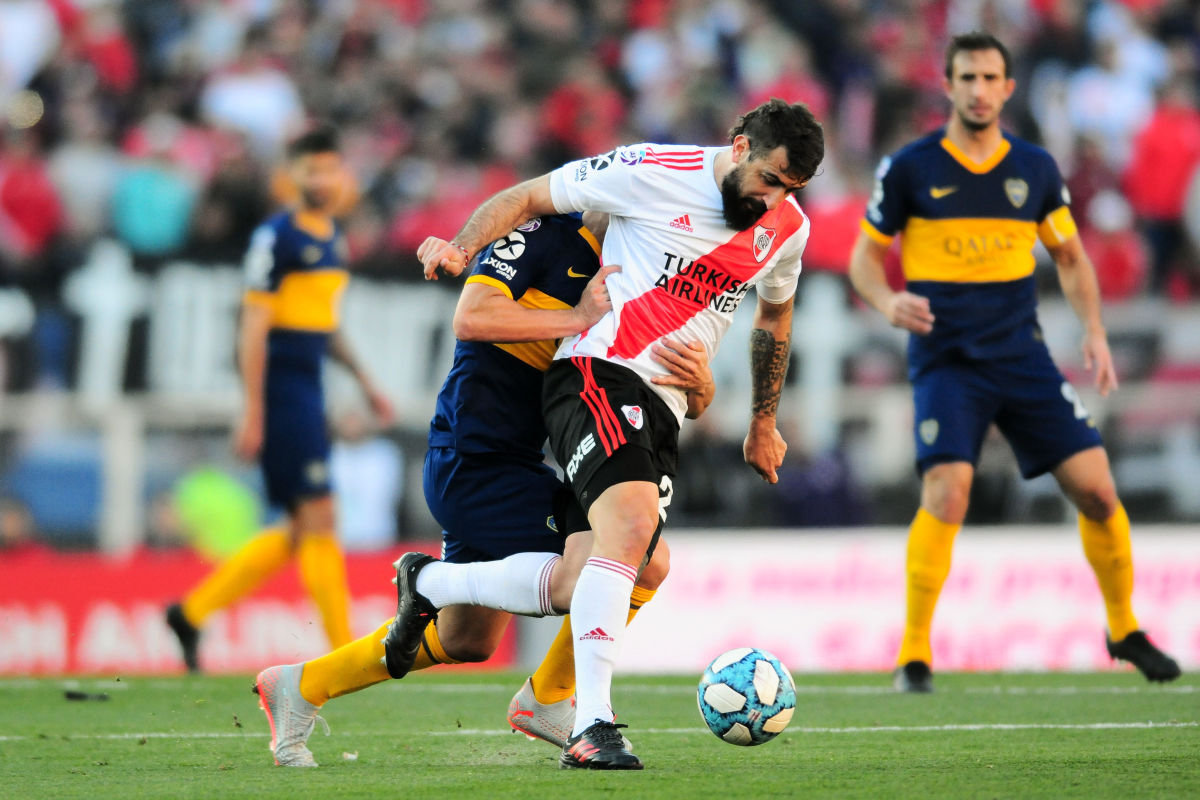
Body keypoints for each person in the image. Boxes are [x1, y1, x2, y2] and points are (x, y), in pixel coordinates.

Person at [396, 98, 824, 769]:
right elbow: (529, 195)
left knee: (638, 564)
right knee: (626, 535)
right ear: (739, 147)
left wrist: (761, 423)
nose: (773, 199)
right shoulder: (651, 168)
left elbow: (775, 316)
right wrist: (461, 245)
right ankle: (591, 724)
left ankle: (435, 588)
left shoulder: (788, 228)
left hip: (666, 409)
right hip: (598, 371)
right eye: (769, 180)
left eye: (790, 189)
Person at [252, 211, 715, 767]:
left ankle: (301, 685)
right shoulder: (545, 236)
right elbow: (470, 317)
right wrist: (575, 317)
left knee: (468, 639)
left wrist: (701, 385)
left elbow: (665, 389)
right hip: (473, 456)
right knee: (631, 561)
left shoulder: (643, 270)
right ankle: (538, 689)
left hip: (523, 462)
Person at [847, 32, 1181, 694]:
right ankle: (914, 652)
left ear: (1008, 88)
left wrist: (1095, 330)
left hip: (1021, 355)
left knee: (1098, 488)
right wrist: (886, 302)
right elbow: (863, 258)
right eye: (965, 76)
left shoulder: (1034, 168)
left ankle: (1123, 626)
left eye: (989, 77)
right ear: (947, 85)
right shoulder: (912, 168)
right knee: (948, 490)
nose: (977, 89)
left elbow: (1071, 256)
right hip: (947, 358)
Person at [165, 126, 392, 672]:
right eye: (310, 169)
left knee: (300, 526)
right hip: (282, 388)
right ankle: (345, 651)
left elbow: (325, 323)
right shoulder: (277, 236)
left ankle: (191, 613)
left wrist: (366, 382)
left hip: (309, 383)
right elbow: (253, 325)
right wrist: (253, 410)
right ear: (291, 175)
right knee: (320, 513)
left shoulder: (332, 235)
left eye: (329, 168)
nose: (321, 179)